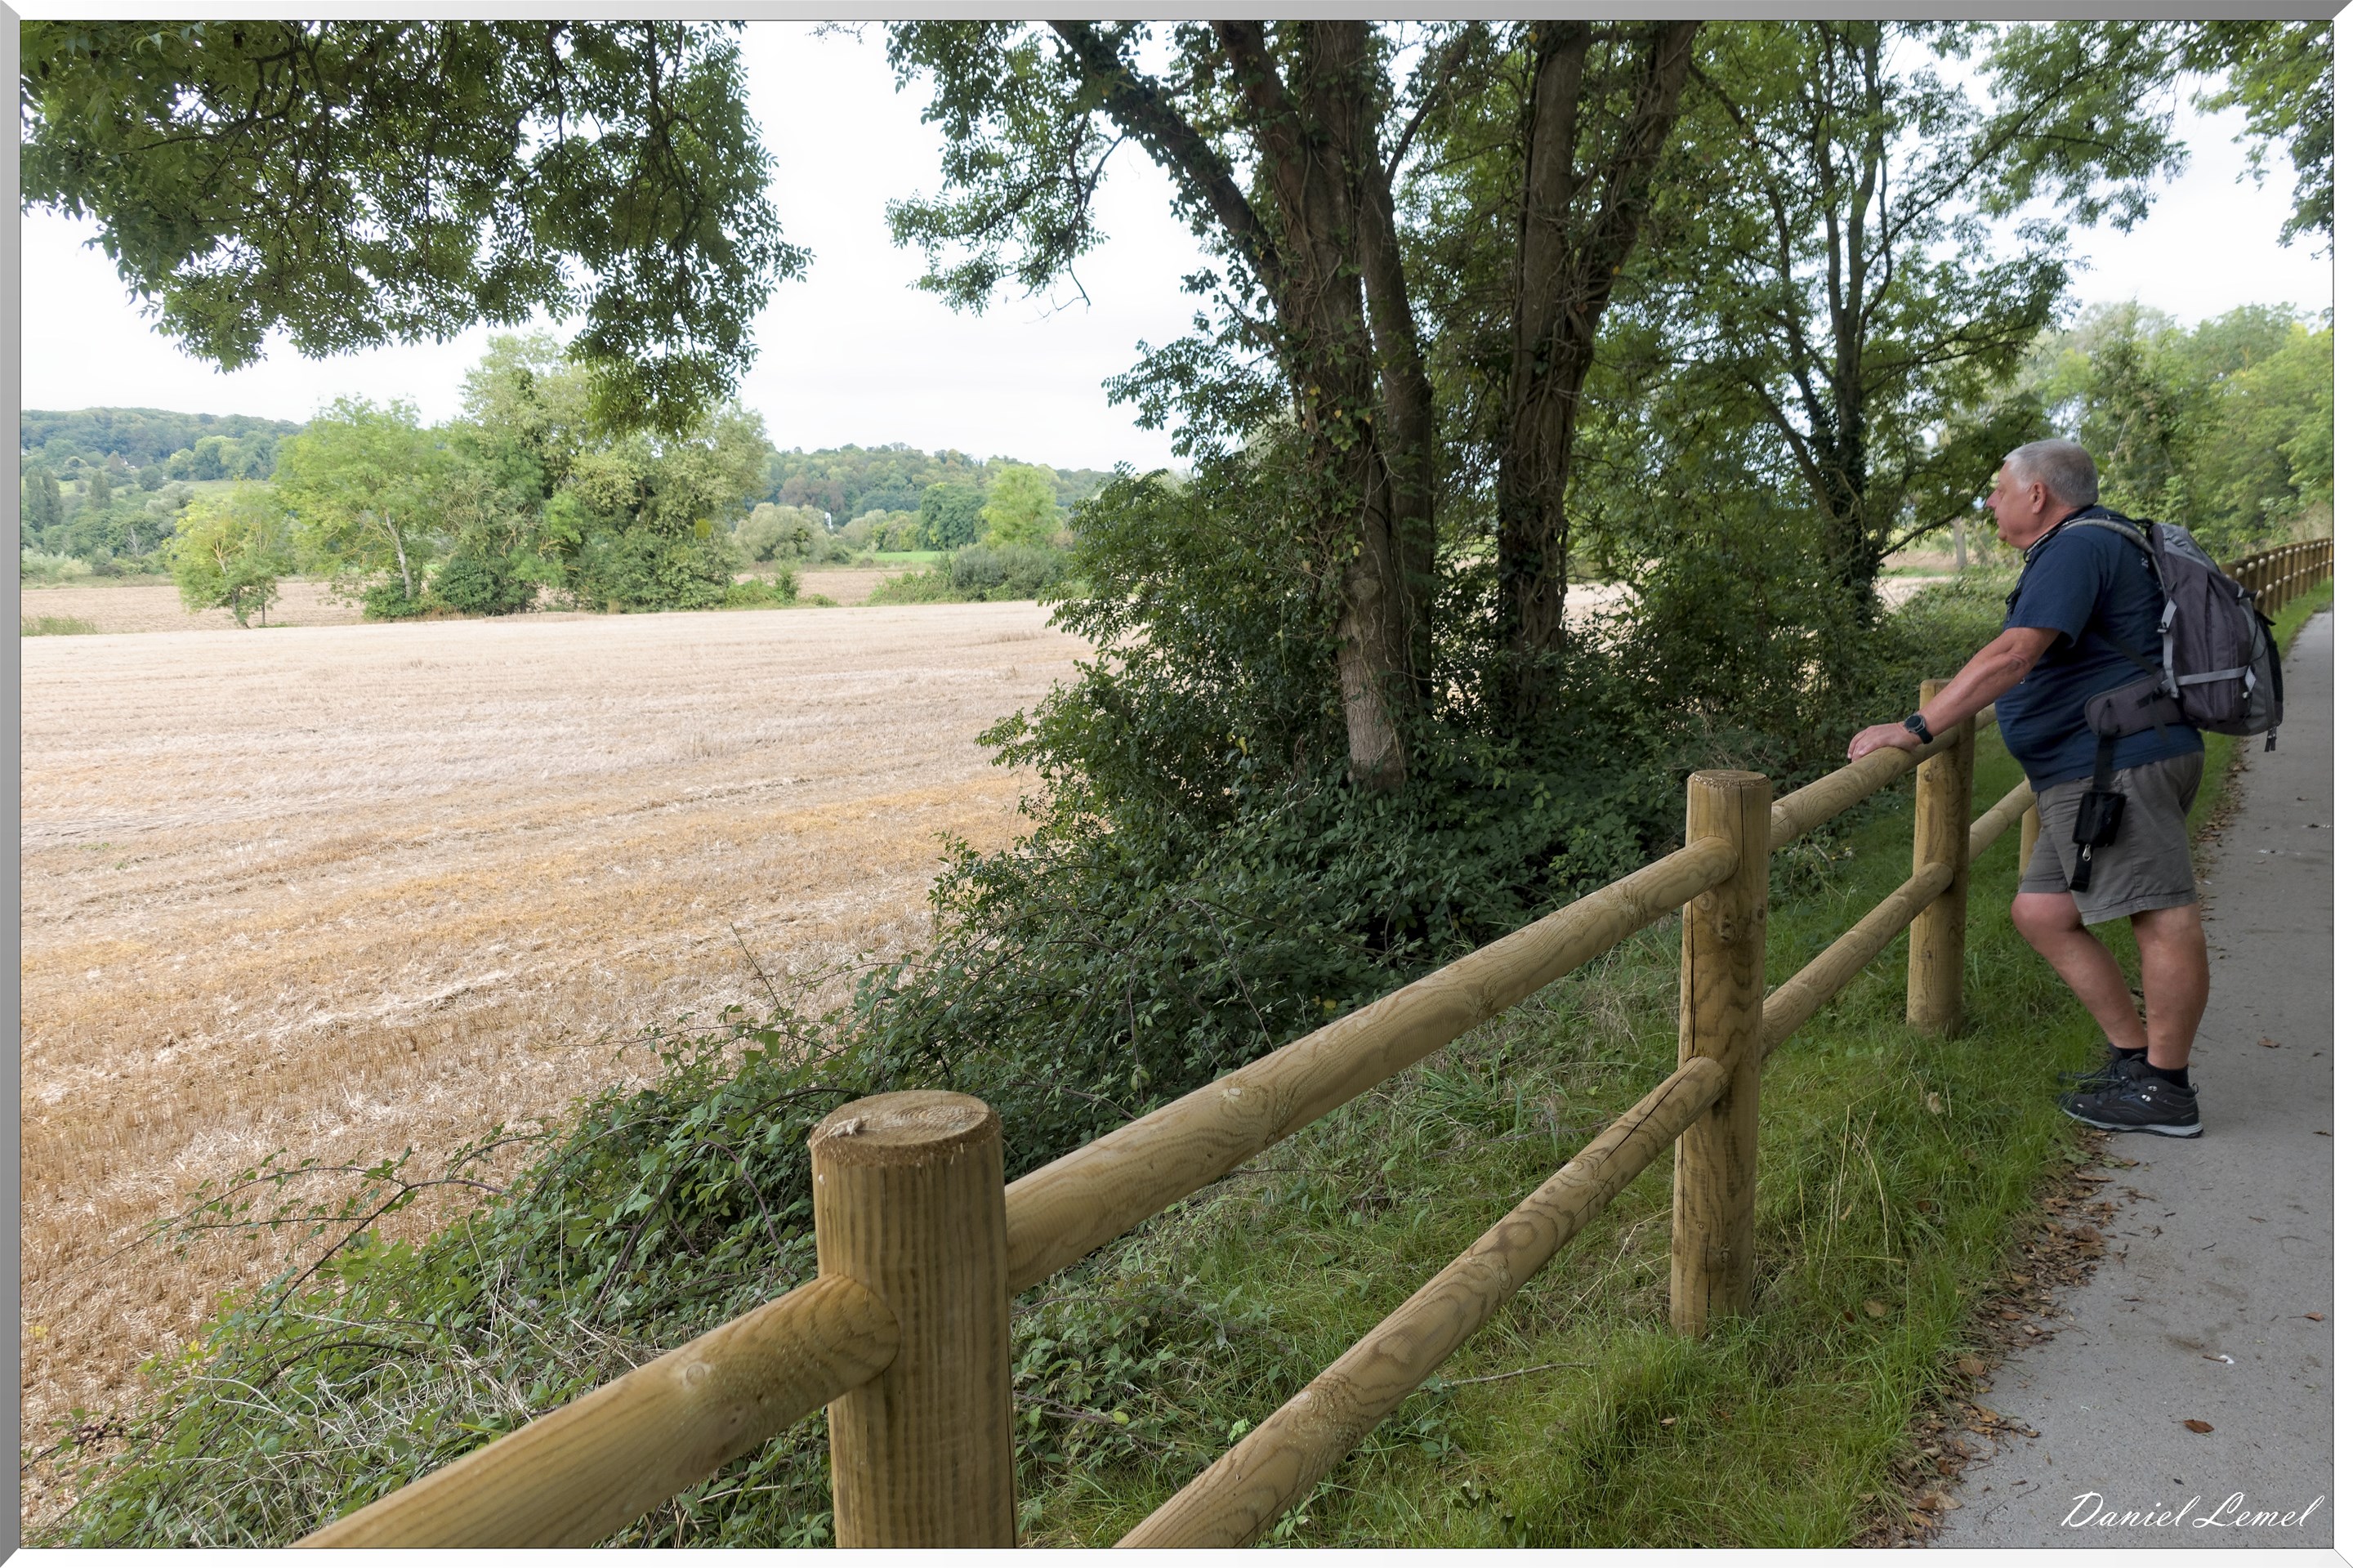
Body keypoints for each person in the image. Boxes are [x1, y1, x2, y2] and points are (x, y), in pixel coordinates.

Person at [1844, 439, 2208, 1137]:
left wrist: (1917, 727)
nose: (1990, 501)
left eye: (1997, 488)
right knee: (2041, 910)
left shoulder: (2075, 547)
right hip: (2098, 763)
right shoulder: (2094, 542)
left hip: (2119, 761)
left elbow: (2015, 653)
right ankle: (2136, 1059)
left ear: (2037, 494)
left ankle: (2167, 1089)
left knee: (2160, 913)